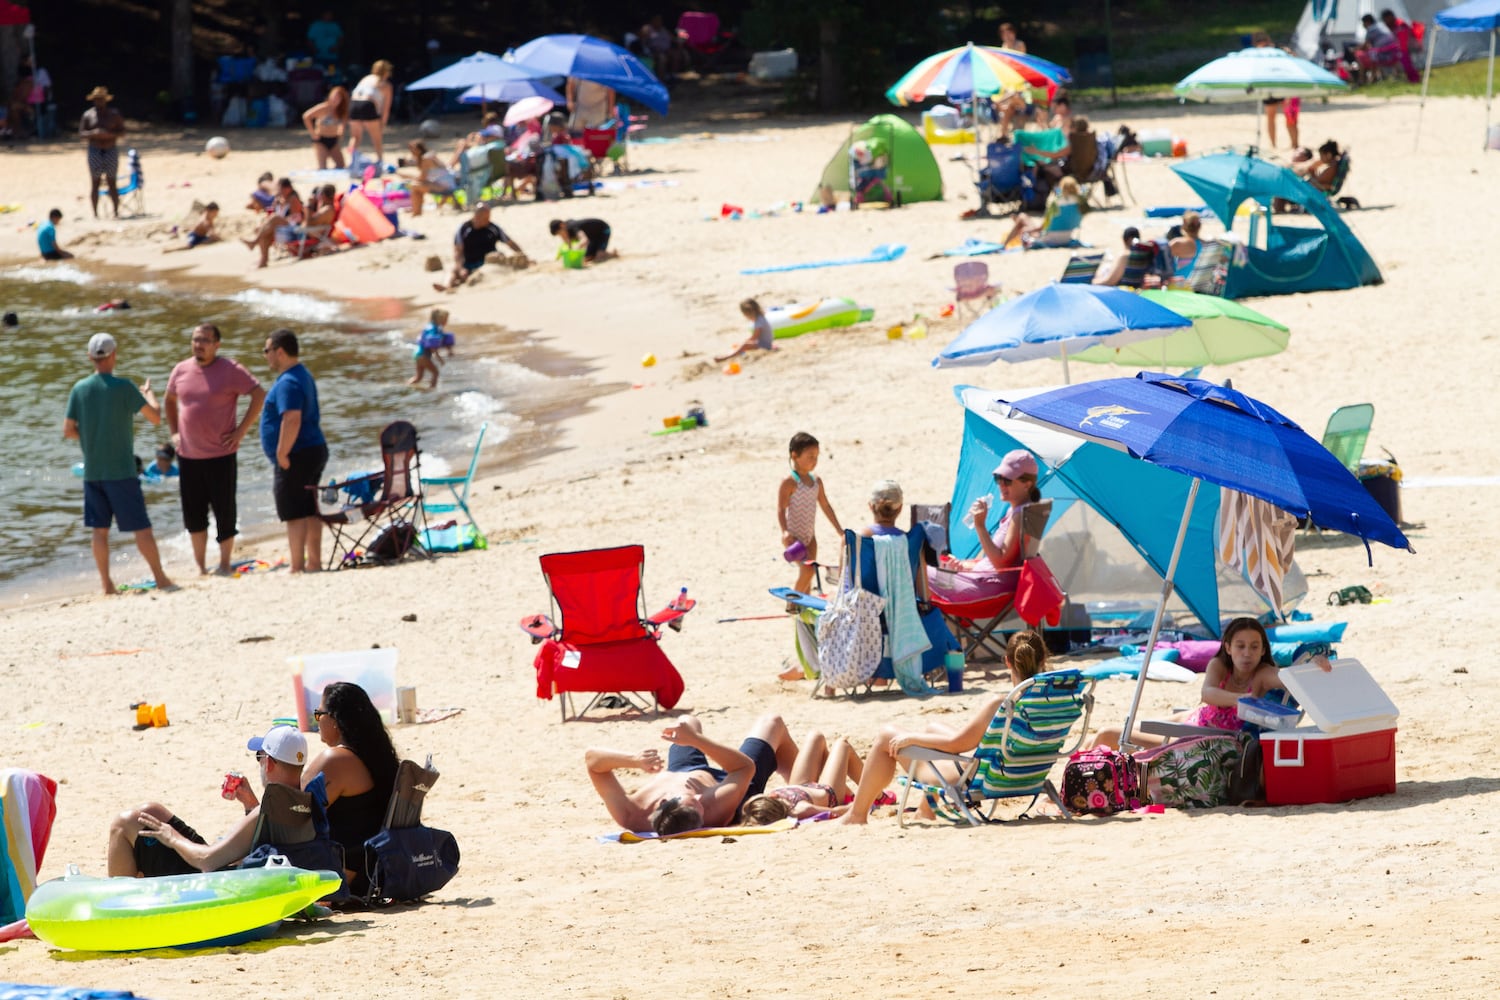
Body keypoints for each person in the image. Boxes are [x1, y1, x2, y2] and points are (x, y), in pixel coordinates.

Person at [838, 630, 1050, 825]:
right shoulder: (1052, 701)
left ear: (1007, 662)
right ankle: (925, 810)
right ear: (1043, 660)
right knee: (933, 727)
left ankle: (857, 815)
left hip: (979, 779)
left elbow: (956, 743)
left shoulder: (1003, 704)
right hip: (1027, 774)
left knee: (887, 736)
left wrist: (912, 738)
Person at [231, 683, 398, 895]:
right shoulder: (375, 758)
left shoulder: (336, 760)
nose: (316, 720)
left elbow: (288, 814)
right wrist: (251, 803)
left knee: (226, 862)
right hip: (369, 868)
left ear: (336, 720)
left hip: (342, 874)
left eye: (319, 714)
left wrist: (254, 800)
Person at [1089, 618, 1333, 751]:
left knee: (1108, 733)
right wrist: (1240, 700)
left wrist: (1314, 665)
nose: (1247, 653)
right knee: (1130, 724)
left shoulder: (1262, 673)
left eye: (1255, 647)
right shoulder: (1218, 665)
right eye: (1240, 646)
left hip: (1198, 740)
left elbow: (1290, 677)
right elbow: (1207, 694)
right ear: (1228, 647)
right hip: (1196, 717)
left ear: (1262, 651)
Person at [105, 725, 309, 876]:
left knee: (125, 823)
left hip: (216, 882)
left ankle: (117, 909)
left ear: (270, 764)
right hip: (231, 871)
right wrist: (250, 804)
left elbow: (206, 861)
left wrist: (172, 837)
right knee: (151, 811)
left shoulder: (267, 809)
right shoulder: (303, 804)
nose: (259, 764)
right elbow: (269, 843)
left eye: (259, 757)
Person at [63, 333, 175, 595]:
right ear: (113, 355)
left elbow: (68, 430)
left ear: (90, 357)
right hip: (122, 472)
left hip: (93, 472)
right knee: (141, 528)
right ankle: (160, 579)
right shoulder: (125, 387)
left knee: (99, 531)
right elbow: (156, 418)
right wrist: (148, 395)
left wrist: (90, 438)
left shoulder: (79, 389)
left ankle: (106, 585)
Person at [165, 322, 266, 575]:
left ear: (217, 345)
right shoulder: (181, 370)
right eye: (195, 340)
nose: (199, 345)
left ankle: (223, 563)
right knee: (194, 517)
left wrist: (241, 431)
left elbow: (259, 395)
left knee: (225, 513)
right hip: (188, 456)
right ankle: (200, 567)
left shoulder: (231, 370)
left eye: (205, 340)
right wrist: (174, 433)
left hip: (221, 455)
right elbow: (169, 400)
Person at [585, 713, 797, 834]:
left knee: (685, 722)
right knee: (772, 723)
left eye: (692, 800)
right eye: (699, 804)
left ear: (663, 803)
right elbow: (745, 767)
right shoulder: (713, 805)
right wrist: (695, 740)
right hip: (734, 782)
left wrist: (633, 760)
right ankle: (799, 780)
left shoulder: (631, 814)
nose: (698, 797)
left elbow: (593, 761)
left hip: (682, 769)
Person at [260, 328, 327, 573]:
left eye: (267, 351)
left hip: (298, 453)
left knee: (294, 511)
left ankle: (297, 565)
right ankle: (314, 562)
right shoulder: (302, 374)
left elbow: (292, 419)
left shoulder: (289, 381)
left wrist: (281, 453)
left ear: (280, 352)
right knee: (309, 507)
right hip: (312, 448)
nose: (265, 356)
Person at [740, 730, 868, 824]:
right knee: (842, 745)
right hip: (829, 792)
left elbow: (749, 807)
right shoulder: (802, 809)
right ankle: (877, 794)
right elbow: (839, 811)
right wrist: (861, 802)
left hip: (802, 785)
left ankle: (846, 789)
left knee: (815, 737)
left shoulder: (764, 801)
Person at [777, 431, 842, 602]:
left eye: (816, 457)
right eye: (810, 456)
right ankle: (792, 604)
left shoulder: (816, 482)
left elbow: (826, 506)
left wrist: (839, 530)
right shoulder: (789, 482)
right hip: (794, 537)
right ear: (795, 456)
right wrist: (784, 531)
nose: (814, 461)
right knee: (807, 571)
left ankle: (803, 604)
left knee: (810, 573)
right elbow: (781, 509)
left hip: (810, 536)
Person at [434, 203, 526, 292]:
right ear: (476, 216)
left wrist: (523, 256)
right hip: (469, 263)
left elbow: (510, 243)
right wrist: (461, 268)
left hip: (489, 263)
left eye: (488, 217)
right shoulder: (464, 229)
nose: (488, 220)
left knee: (499, 257)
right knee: (453, 270)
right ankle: (447, 286)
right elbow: (458, 251)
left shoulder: (493, 228)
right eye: (485, 217)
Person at [80, 86, 126, 218]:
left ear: (105, 100)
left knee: (112, 182)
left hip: (111, 149)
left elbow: (122, 132)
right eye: (96, 99)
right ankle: (95, 213)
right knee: (95, 182)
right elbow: (82, 133)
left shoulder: (114, 114)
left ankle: (116, 212)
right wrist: (94, 133)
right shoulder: (88, 115)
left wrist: (110, 134)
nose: (99, 102)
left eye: (101, 99)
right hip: (94, 150)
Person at [1000, 176, 1083, 248]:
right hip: (1067, 237)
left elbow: (1042, 227)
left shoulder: (1056, 203)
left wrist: (1026, 230)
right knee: (1023, 220)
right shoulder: (1080, 203)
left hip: (1049, 239)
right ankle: (1017, 223)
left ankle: (1003, 245)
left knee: (1022, 217)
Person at [243, 177, 305, 269]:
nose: (280, 191)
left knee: (275, 218)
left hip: (293, 230)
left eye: (281, 189)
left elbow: (296, 218)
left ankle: (254, 242)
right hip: (281, 229)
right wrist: (277, 203)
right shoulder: (280, 199)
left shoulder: (293, 199)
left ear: (288, 188)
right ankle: (263, 261)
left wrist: (279, 217)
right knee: (263, 231)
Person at [1252, 32, 1300, 148]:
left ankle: (1294, 144)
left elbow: (1294, 61)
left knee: (1290, 116)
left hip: (1284, 85)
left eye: (1264, 46)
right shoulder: (1259, 55)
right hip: (1269, 86)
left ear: (1268, 42)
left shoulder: (1281, 51)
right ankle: (1273, 145)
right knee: (1271, 116)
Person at [347, 59, 394, 164]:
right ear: (387, 72)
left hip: (353, 104)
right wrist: (382, 124)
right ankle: (380, 161)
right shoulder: (385, 85)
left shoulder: (366, 79)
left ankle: (352, 161)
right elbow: (385, 109)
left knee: (355, 137)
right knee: (376, 137)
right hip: (367, 104)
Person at [400, 140, 457, 217]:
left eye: (412, 149)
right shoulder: (428, 156)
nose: (411, 151)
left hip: (446, 186)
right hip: (447, 183)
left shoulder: (426, 159)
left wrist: (407, 176)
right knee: (416, 186)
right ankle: (416, 211)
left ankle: (416, 212)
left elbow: (422, 178)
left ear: (419, 150)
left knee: (415, 186)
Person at [301, 85, 349, 170]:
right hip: (321, 139)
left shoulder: (341, 110)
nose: (335, 100)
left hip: (333, 139)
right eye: (334, 97)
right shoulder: (323, 107)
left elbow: (344, 121)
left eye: (338, 98)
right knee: (323, 167)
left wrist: (341, 130)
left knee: (341, 165)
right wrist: (312, 133)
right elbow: (306, 116)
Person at [715, 298, 775, 363]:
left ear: (749, 313)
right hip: (764, 343)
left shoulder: (759, 321)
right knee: (743, 345)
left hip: (765, 345)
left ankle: (726, 357)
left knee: (745, 345)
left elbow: (755, 337)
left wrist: (746, 341)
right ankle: (732, 354)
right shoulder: (760, 317)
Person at [409, 307, 450, 388]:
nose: (447, 321)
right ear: (440, 319)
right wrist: (439, 358)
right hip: (423, 354)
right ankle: (431, 390)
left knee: (418, 377)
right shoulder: (433, 329)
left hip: (417, 353)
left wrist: (449, 349)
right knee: (435, 373)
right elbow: (432, 344)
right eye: (445, 319)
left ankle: (407, 386)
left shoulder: (431, 326)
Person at [1381, 9, 1422, 84]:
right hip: (1402, 49)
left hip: (1407, 48)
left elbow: (1403, 40)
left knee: (1407, 64)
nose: (1385, 22)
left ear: (1390, 17)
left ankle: (1415, 79)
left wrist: (1401, 52)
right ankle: (1412, 79)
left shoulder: (1400, 24)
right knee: (1405, 65)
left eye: (1385, 19)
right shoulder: (1393, 25)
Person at [1168, 210, 1205, 285]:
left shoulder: (1177, 243)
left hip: (1176, 285)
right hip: (1195, 286)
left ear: (1184, 224)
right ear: (1199, 226)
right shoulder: (1206, 245)